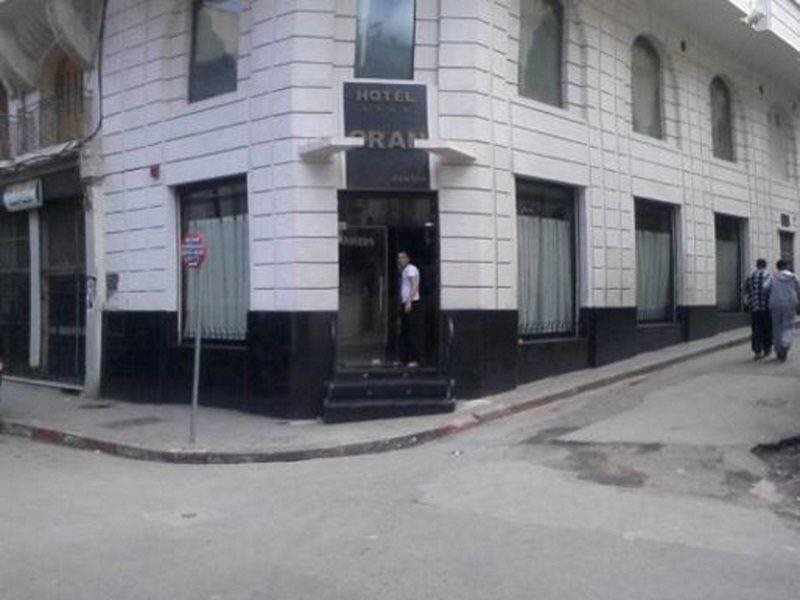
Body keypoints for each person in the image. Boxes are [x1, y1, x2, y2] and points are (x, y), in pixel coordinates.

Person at [763, 259, 800, 362]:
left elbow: (765, 288)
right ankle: (785, 345)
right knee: (788, 326)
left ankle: (778, 349)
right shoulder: (793, 277)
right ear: (786, 266)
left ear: (777, 267)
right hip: (790, 304)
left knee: (777, 328)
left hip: (775, 305)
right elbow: (799, 289)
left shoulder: (772, 277)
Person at [397, 251, 422, 367]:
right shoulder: (404, 270)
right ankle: (405, 358)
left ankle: (414, 359)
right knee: (405, 331)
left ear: (408, 258)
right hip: (405, 302)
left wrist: (409, 301)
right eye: (399, 258)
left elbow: (415, 285)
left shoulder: (411, 269)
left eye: (403, 257)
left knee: (412, 331)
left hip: (411, 303)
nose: (400, 260)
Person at [743, 258, 772, 359]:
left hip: (755, 308)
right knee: (767, 329)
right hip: (766, 307)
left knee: (756, 330)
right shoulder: (769, 276)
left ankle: (757, 351)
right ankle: (767, 348)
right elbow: (771, 291)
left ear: (757, 265)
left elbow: (746, 291)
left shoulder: (750, 276)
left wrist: (746, 304)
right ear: (765, 265)